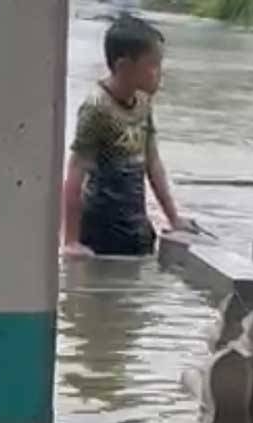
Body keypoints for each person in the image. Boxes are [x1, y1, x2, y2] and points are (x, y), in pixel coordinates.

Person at [62, 15, 182, 257]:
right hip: (100, 229)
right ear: (124, 67)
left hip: (135, 224)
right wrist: (71, 241)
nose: (160, 73)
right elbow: (75, 173)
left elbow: (153, 163)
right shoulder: (97, 108)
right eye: (153, 65)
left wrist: (174, 218)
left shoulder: (143, 103)